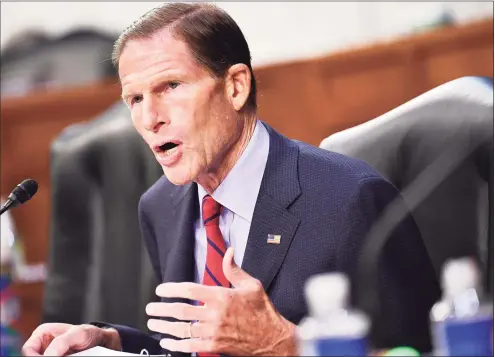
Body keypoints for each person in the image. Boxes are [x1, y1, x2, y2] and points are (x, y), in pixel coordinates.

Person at [22, 3, 441, 356]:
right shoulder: (160, 206)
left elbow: (425, 350)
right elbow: (197, 344)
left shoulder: (349, 199)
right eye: (135, 98)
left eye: (170, 86)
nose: (149, 119)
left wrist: (287, 344)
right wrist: (110, 341)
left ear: (236, 87)